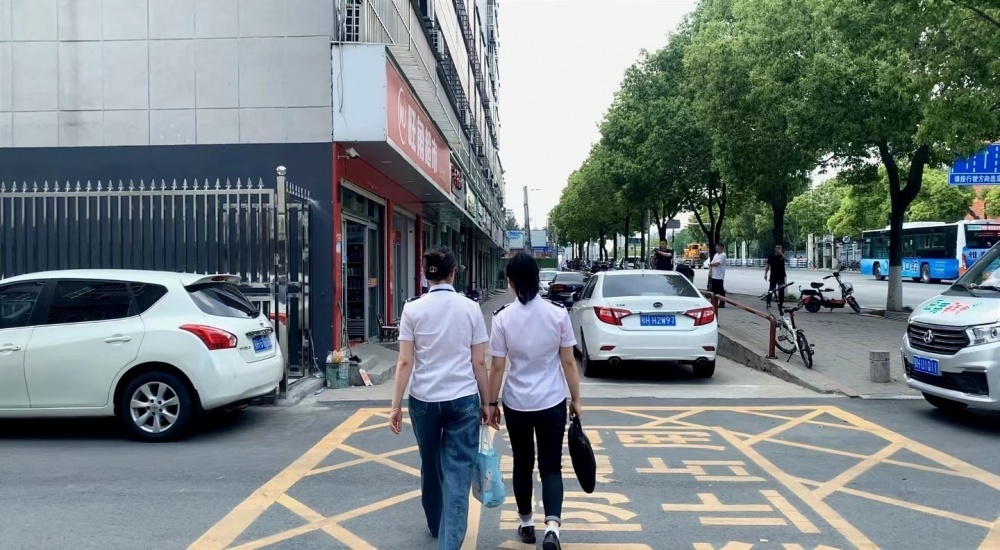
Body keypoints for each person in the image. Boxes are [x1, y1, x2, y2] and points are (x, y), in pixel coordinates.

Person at [388, 246, 491, 550]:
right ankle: (448, 541)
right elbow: (479, 362)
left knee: (430, 463)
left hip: (423, 399)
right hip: (462, 398)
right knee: (458, 472)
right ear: (453, 272)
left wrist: (395, 405)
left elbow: (405, 361)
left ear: (425, 275)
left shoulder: (412, 309)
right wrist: (487, 402)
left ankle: (436, 523)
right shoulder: (470, 308)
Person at [487, 252, 582, 550]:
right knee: (551, 466)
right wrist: (576, 399)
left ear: (511, 282)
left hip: (517, 403)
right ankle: (552, 528)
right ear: (537, 278)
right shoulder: (558, 313)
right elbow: (569, 362)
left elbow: (497, 367)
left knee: (523, 463)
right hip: (551, 401)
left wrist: (491, 404)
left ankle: (526, 523)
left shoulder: (502, 317)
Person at [709, 243, 728, 307]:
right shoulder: (716, 255)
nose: (716, 248)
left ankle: (722, 303)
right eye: (716, 247)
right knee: (714, 290)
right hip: (714, 275)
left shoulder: (723, 255)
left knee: (720, 290)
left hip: (719, 276)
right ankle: (714, 303)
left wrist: (711, 264)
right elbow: (712, 263)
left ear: (722, 248)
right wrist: (710, 272)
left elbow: (717, 263)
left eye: (718, 247)